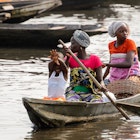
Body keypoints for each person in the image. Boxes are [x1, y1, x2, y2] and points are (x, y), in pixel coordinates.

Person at [63, 30, 108, 102]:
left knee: (96, 102)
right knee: (73, 102)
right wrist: (67, 57)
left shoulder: (95, 59)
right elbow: (63, 71)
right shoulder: (70, 58)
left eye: (73, 44)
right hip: (74, 92)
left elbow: (100, 79)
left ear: (80, 45)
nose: (70, 46)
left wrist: (102, 85)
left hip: (91, 93)